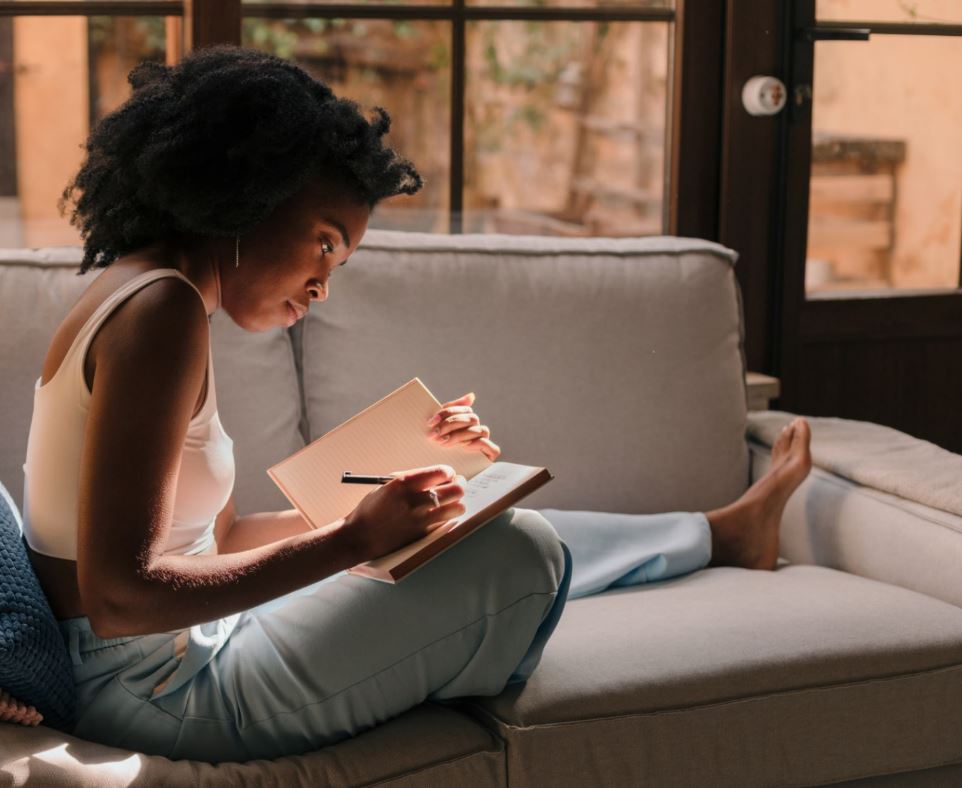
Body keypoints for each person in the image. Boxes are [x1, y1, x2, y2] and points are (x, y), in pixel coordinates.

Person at [19, 45, 813, 761]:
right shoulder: (163, 314)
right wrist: (350, 543)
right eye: (326, 241)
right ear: (248, 195)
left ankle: (716, 537)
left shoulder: (151, 293)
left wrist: (392, 490)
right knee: (518, 552)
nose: (324, 283)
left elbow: (212, 538)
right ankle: (709, 539)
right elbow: (123, 599)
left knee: (470, 516)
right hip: (157, 692)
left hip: (172, 651)